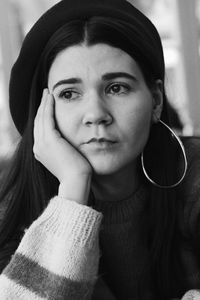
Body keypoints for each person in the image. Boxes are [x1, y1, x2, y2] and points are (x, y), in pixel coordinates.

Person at [0, 0, 200, 299]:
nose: (95, 113)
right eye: (69, 94)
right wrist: (72, 192)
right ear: (44, 114)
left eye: (117, 87)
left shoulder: (194, 176)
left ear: (155, 100)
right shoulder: (10, 214)